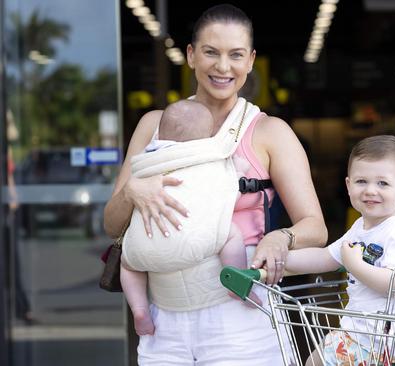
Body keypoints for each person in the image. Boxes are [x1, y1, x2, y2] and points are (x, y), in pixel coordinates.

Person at [103, 4, 327, 365]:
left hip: (242, 320)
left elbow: (315, 228)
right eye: (211, 52)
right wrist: (131, 192)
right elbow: (111, 226)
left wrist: (280, 237)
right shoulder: (153, 126)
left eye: (236, 55)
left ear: (251, 60)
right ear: (191, 55)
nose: (223, 67)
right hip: (164, 323)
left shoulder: (270, 132)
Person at [119, 99, 258, 336]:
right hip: (196, 240)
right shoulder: (209, 160)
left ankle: (139, 308)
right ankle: (236, 281)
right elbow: (226, 195)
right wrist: (241, 170)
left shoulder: (147, 157)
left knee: (127, 264)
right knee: (230, 233)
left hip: (143, 244)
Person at [281, 135, 395, 365]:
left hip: (382, 343)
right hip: (362, 337)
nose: (370, 190)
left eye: (383, 183)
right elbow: (327, 257)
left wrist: (355, 265)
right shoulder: (360, 227)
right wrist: (282, 260)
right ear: (348, 185)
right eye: (361, 181)